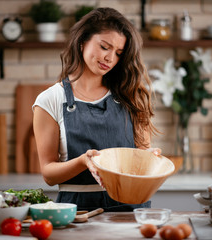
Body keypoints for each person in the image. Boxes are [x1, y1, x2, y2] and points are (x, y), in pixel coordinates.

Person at [32, 7, 160, 212]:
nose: (110, 58)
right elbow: (48, 173)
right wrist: (83, 161)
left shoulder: (130, 95)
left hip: (130, 210)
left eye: (118, 53)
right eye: (104, 47)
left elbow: (141, 156)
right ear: (82, 41)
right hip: (77, 212)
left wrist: (150, 158)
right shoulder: (50, 100)